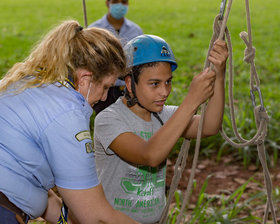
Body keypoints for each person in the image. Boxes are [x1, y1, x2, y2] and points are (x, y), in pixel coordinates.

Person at [0, 20, 139, 224]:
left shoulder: (31, 82)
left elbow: (33, 185)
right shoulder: (66, 113)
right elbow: (96, 217)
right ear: (84, 78)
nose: (103, 97)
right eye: (106, 87)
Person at [94, 34, 228, 223]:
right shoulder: (108, 120)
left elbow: (210, 126)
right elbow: (149, 155)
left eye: (168, 82)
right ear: (130, 84)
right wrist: (192, 100)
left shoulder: (165, 115)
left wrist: (219, 75)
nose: (164, 92)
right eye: (155, 84)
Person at [89, 0, 143, 114]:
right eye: (115, 1)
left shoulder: (136, 30)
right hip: (104, 89)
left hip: (128, 88)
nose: (120, 5)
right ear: (107, 3)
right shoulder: (94, 29)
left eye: (124, 2)